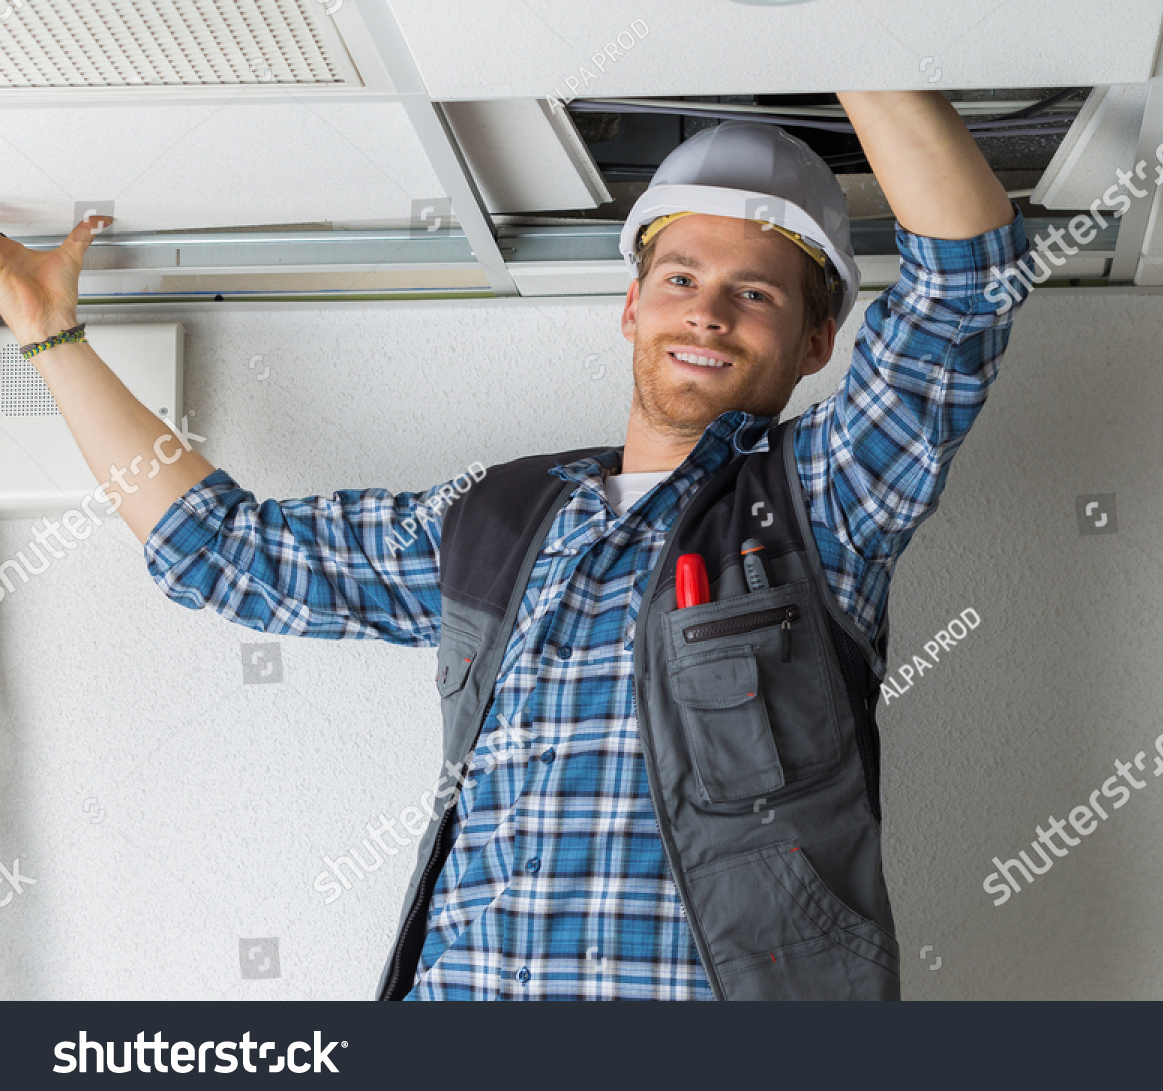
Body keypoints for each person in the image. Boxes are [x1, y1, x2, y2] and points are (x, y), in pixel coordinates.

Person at [0, 89, 1034, 1000]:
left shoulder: (820, 500)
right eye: (680, 278)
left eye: (754, 293)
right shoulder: (496, 524)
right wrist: (48, 331)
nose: (707, 312)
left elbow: (965, 288)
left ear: (816, 343)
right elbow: (221, 551)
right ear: (631, 307)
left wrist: (838, 33)